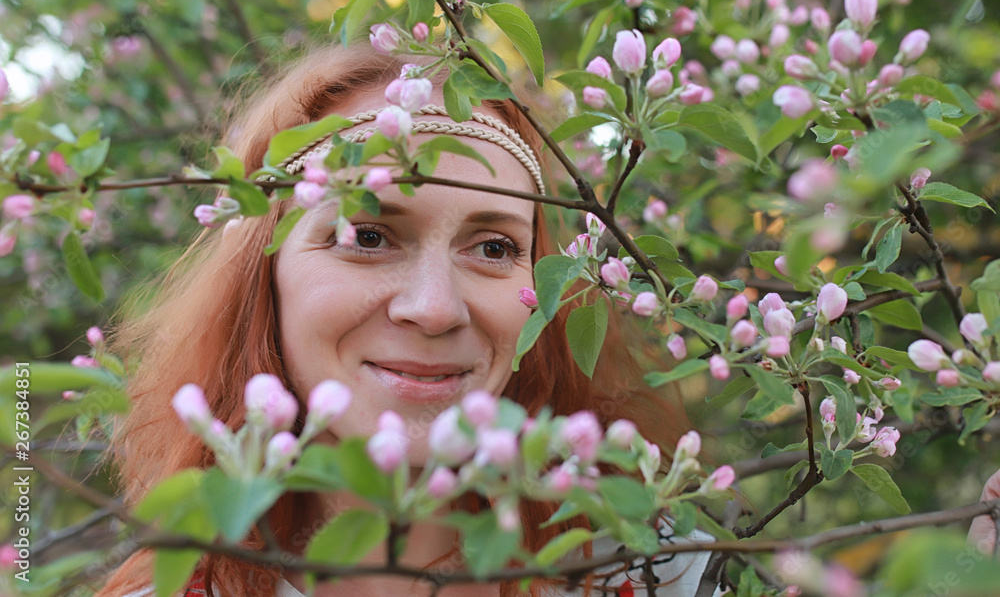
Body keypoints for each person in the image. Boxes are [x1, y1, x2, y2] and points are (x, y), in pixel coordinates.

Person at [97, 44, 705, 597]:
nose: (435, 308)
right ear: (263, 271)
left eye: (494, 248)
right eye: (366, 235)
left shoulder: (652, 570)